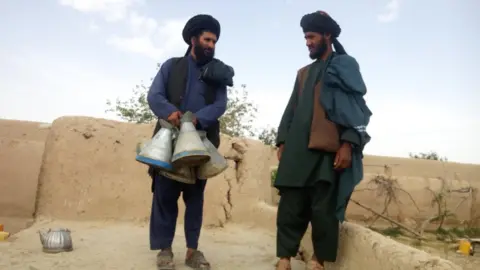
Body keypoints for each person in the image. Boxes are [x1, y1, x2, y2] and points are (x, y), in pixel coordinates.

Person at [274, 11, 372, 270]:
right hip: (297, 149)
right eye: (305, 37)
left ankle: (319, 260)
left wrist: (348, 143)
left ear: (327, 36)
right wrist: (282, 140)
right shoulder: (303, 73)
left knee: (323, 209)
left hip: (328, 152)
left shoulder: (344, 66)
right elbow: (291, 109)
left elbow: (356, 109)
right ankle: (284, 257)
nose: (307, 42)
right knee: (291, 205)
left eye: (311, 36)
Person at [146, 14, 233, 270]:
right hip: (168, 140)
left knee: (195, 199)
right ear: (193, 39)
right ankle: (165, 251)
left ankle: (192, 251)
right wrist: (170, 112)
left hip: (201, 143)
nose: (211, 45)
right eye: (207, 39)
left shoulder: (217, 72)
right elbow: (155, 95)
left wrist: (197, 119)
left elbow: (220, 104)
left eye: (214, 41)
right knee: (164, 196)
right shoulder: (171, 66)